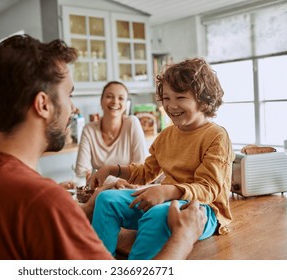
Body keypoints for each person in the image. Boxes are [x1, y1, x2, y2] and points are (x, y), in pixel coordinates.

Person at [0, 34, 207, 260]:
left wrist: (89, 206)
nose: (73, 108)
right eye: (69, 95)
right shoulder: (41, 201)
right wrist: (183, 238)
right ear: (43, 104)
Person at [89, 58, 235, 260]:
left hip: (202, 210)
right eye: (166, 98)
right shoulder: (167, 135)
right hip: (164, 200)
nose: (171, 105)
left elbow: (209, 189)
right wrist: (111, 169)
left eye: (180, 97)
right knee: (105, 199)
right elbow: (145, 173)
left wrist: (167, 191)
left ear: (203, 99)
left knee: (159, 215)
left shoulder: (216, 136)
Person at [75, 81, 147, 186]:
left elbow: (140, 170)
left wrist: (101, 178)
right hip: (100, 193)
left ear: (126, 104)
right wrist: (114, 182)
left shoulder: (132, 123)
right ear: (101, 101)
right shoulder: (89, 130)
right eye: (109, 96)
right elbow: (81, 173)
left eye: (121, 98)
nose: (115, 102)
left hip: (129, 190)